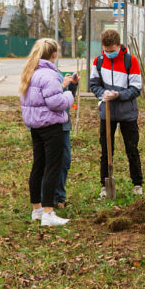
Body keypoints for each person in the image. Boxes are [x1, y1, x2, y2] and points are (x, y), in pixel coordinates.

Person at [20, 38, 75, 227]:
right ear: (53, 54)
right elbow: (56, 103)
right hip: (51, 127)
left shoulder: (30, 72)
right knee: (52, 168)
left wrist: (63, 86)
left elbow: (42, 98)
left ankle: (37, 209)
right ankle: (49, 213)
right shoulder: (49, 75)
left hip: (36, 127)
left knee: (38, 166)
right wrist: (69, 94)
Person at [89, 29, 144, 199]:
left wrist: (119, 95)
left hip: (128, 113)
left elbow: (136, 88)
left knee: (132, 149)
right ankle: (105, 186)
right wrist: (101, 94)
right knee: (106, 151)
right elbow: (94, 83)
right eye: (106, 51)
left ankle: (137, 184)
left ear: (119, 46)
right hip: (107, 114)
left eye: (112, 51)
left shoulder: (131, 61)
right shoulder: (98, 61)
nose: (109, 54)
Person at [54, 65, 80, 207]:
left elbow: (66, 97)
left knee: (65, 161)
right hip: (51, 124)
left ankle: (59, 197)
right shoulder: (40, 74)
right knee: (50, 163)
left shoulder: (56, 72)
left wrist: (72, 86)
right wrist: (63, 86)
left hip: (63, 123)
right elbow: (53, 98)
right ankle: (48, 199)